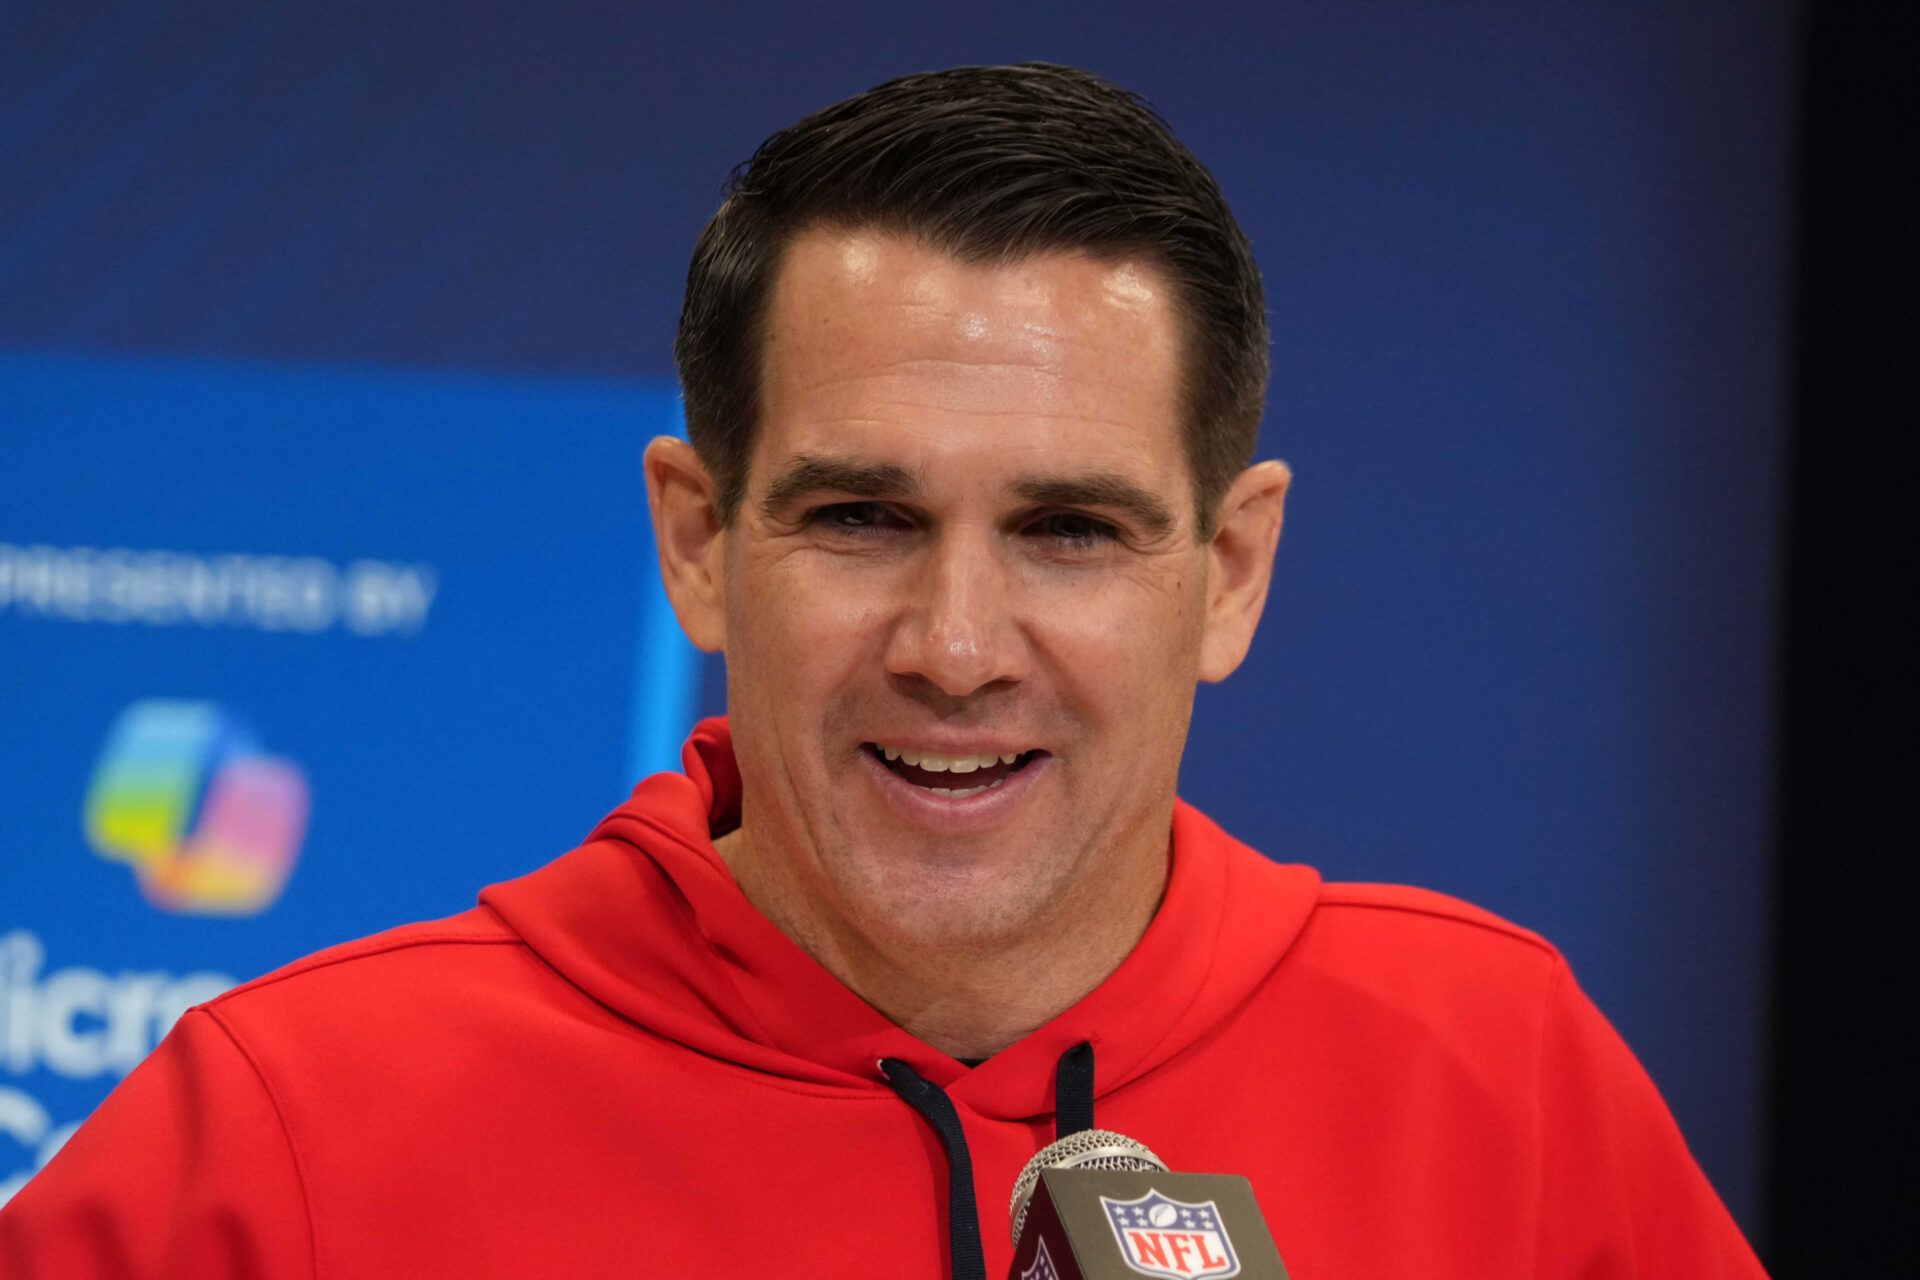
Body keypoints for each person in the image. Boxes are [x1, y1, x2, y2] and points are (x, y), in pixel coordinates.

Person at [0, 63, 1763, 1278]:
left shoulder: (1502, 1079)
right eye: (860, 517)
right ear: (699, 539)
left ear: (1228, 575)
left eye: (1070, 529)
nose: (956, 647)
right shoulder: (290, 1130)